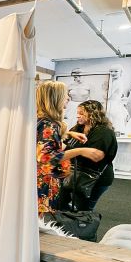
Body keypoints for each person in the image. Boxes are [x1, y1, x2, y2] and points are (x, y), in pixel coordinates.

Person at [35, 82, 87, 214]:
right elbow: (46, 157)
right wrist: (81, 151)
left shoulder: (42, 120)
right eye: (65, 95)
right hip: (43, 183)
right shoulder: (49, 124)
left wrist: (68, 134)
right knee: (37, 222)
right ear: (55, 98)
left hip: (38, 179)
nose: (68, 98)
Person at [59, 100, 118, 211]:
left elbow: (96, 156)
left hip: (96, 179)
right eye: (78, 112)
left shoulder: (104, 133)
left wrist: (71, 152)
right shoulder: (77, 129)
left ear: (93, 114)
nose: (77, 116)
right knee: (61, 204)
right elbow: (65, 145)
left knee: (83, 210)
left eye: (81, 113)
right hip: (74, 175)